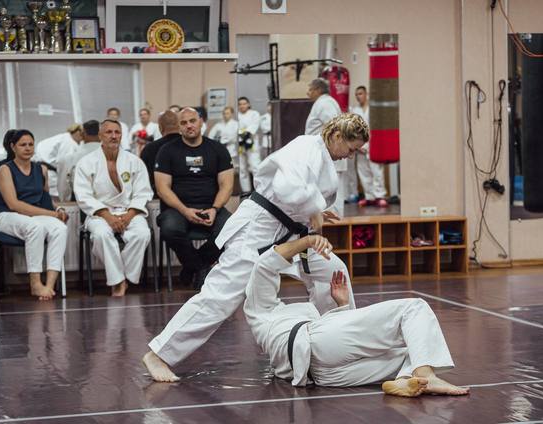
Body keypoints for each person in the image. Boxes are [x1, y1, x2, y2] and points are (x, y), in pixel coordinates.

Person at [143, 113, 368, 382]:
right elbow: (288, 188)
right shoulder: (305, 146)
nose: (350, 156)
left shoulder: (322, 156)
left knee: (331, 270)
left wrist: (314, 212)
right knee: (221, 296)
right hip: (257, 231)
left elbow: (300, 197)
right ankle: (159, 354)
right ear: (337, 136)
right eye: (351, 149)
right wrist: (313, 209)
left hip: (289, 233)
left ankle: (336, 343)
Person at [244, 235, 469, 396]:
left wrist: (342, 305)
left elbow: (329, 341)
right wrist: (308, 240)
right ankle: (426, 376)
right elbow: (265, 265)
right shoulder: (259, 310)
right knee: (413, 308)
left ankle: (405, 380)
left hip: (320, 376)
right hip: (315, 343)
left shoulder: (274, 322)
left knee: (416, 350)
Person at [154, 108, 234, 289]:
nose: (189, 125)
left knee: (231, 229)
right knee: (169, 229)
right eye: (183, 123)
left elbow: (227, 185)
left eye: (192, 121)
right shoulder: (166, 151)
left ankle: (192, 267)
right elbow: (162, 188)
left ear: (201, 122)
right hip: (177, 209)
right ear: (179, 127)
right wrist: (185, 211)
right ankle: (200, 267)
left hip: (212, 207)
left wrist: (214, 209)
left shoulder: (218, 149)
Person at [74, 119, 153, 297]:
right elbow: (83, 195)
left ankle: (120, 277)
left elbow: (143, 193)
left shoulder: (134, 161)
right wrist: (107, 216)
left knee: (142, 234)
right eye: (109, 132)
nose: (113, 136)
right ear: (100, 135)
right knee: (101, 235)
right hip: (99, 213)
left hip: (129, 211)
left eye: (117, 132)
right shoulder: (86, 162)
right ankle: (118, 282)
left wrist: (129, 215)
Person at [0, 129, 69, 301]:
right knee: (35, 227)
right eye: (23, 145)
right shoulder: (5, 169)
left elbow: (45, 199)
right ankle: (35, 283)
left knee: (60, 228)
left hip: (33, 216)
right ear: (13, 147)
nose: (27, 148)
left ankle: (49, 285)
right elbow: (14, 205)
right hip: (6, 215)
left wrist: (57, 210)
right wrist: (51, 213)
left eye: (30, 144)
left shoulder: (41, 169)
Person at [305, 79, 345, 216]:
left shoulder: (325, 103)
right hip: (325, 156)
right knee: (327, 193)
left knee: (333, 194)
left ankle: (337, 225)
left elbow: (336, 128)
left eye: (310, 89)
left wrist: (335, 152)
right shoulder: (323, 103)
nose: (308, 93)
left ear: (318, 90)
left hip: (332, 156)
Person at [351, 85, 388, 208]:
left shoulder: (374, 109)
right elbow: (353, 130)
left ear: (366, 94)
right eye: (356, 94)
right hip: (360, 146)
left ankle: (380, 196)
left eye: (360, 93)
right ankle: (369, 197)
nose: (358, 96)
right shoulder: (355, 111)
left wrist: (371, 144)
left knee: (377, 171)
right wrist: (357, 145)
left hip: (374, 145)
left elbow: (379, 128)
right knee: (363, 172)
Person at [56, 120, 102, 202]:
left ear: (82, 134)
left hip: (80, 202)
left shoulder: (69, 159)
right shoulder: (114, 156)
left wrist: (66, 201)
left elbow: (64, 187)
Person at [34, 124, 83, 198]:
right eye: (82, 137)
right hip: (51, 175)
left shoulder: (63, 137)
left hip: (41, 170)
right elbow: (65, 166)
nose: (82, 140)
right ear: (79, 133)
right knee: (55, 198)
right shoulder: (69, 142)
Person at [141, 110, 182, 194]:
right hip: (186, 195)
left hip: (157, 195)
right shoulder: (189, 144)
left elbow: (142, 177)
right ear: (179, 126)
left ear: (160, 128)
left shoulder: (150, 148)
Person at [237, 97, 262, 193]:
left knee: (255, 167)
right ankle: (246, 191)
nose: (242, 106)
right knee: (242, 169)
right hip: (240, 144)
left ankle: (259, 190)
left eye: (244, 104)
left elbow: (254, 126)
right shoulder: (237, 115)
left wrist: (245, 132)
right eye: (240, 104)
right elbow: (235, 128)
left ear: (248, 104)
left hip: (252, 144)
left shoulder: (254, 114)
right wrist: (240, 133)